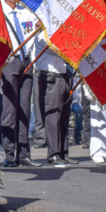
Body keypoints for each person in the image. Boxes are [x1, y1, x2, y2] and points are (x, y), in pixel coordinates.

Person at [0, 0, 41, 167]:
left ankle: (23, 154)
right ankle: (8, 154)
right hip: (10, 61)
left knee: (25, 109)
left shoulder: (26, 13)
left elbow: (35, 26)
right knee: (10, 110)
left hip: (27, 62)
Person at [32, 30, 77, 165]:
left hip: (65, 77)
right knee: (53, 117)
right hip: (52, 78)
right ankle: (53, 154)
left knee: (64, 117)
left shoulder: (61, 35)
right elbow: (61, 50)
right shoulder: (43, 36)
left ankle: (63, 152)